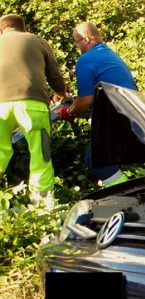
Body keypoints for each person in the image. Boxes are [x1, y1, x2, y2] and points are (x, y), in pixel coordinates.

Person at [0, 14, 68, 206]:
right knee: (40, 155)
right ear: (24, 28)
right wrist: (62, 94)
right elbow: (54, 74)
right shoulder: (36, 40)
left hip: (0, 107)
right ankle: (41, 208)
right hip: (33, 104)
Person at [65, 21, 136, 187]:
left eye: (77, 42)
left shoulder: (86, 59)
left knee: (96, 160)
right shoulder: (111, 55)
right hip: (133, 111)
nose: (77, 46)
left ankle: (125, 192)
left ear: (87, 39)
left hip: (115, 115)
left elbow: (85, 100)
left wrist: (69, 111)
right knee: (109, 159)